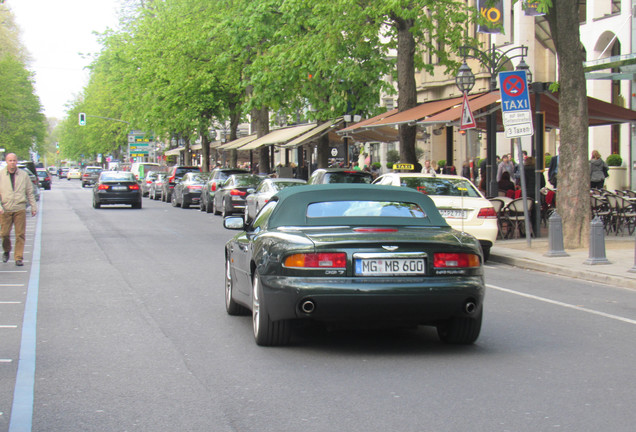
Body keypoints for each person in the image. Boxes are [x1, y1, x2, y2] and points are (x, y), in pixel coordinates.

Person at [0, 153, 38, 266]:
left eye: (14, 160)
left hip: (19, 208)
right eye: (10, 160)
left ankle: (18, 257)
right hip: (5, 209)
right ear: (6, 161)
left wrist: (33, 207)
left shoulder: (23, 175)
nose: (12, 163)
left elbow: (29, 192)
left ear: (17, 161)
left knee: (20, 234)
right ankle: (6, 250)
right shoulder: (1, 175)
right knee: (4, 234)